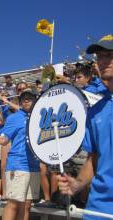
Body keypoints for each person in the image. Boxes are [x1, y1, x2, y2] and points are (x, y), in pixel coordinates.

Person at [57, 34, 113, 219]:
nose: (103, 61)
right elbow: (93, 158)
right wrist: (78, 183)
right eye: (99, 57)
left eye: (109, 55)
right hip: (97, 208)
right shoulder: (95, 110)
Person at [0, 90, 40, 220]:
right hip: (18, 164)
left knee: (26, 205)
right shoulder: (14, 117)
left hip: (34, 166)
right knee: (13, 204)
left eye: (30, 98)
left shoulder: (39, 117)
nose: (26, 100)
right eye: (23, 99)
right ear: (20, 102)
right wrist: (1, 140)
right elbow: (6, 138)